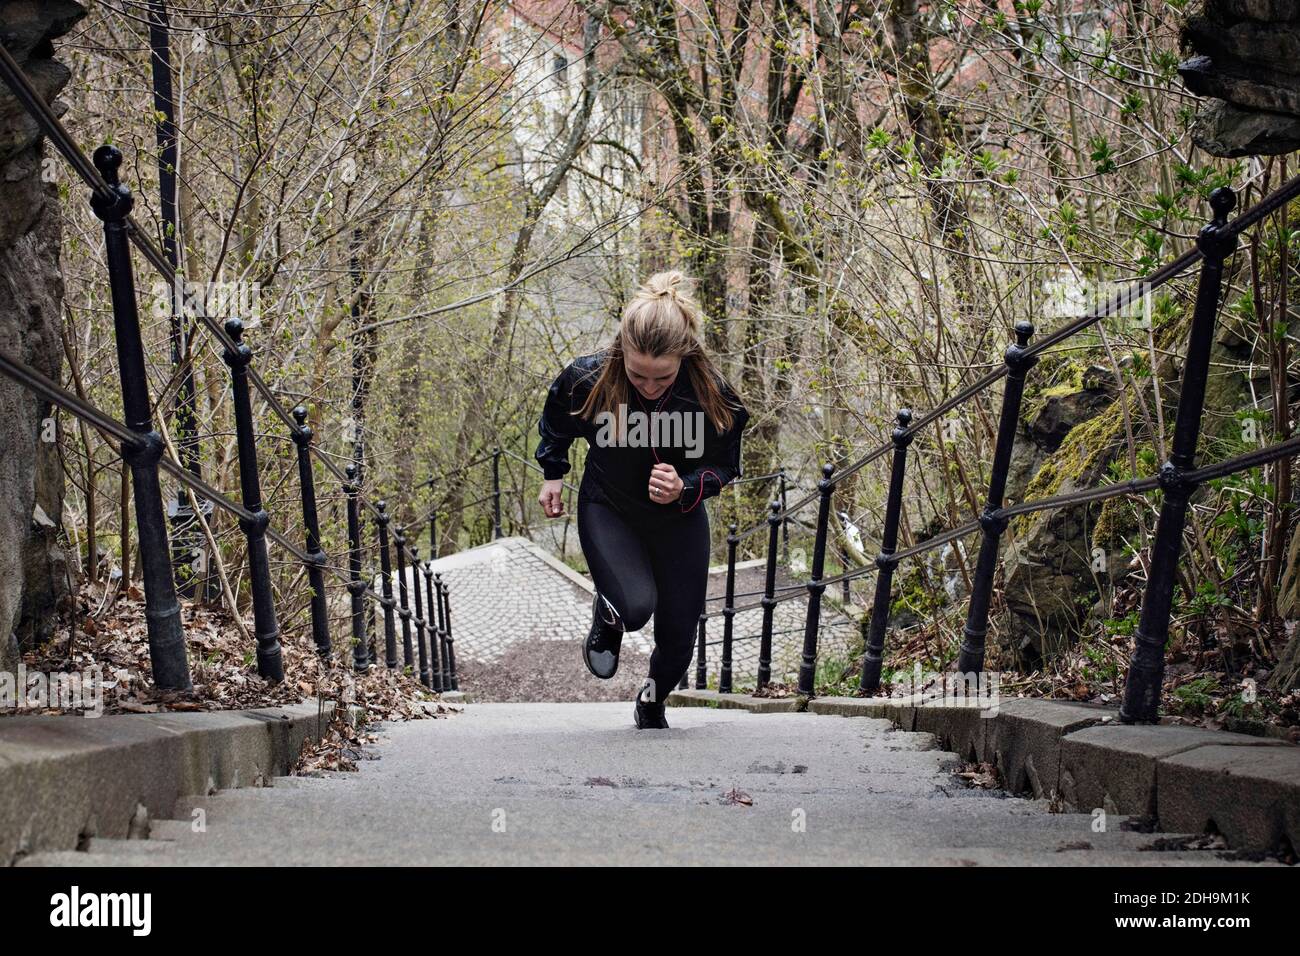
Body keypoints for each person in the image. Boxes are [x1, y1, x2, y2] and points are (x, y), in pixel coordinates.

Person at [535, 271, 750, 729]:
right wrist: (553, 474)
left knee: (678, 636)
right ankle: (609, 620)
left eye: (662, 377)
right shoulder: (587, 377)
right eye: (637, 375)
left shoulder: (712, 394)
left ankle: (652, 698)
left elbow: (726, 466)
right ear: (622, 352)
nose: (649, 387)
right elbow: (556, 421)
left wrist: (687, 485)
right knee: (633, 607)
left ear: (684, 357)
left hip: (679, 519)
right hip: (609, 508)